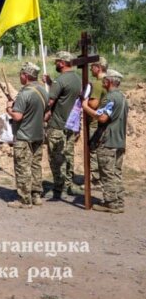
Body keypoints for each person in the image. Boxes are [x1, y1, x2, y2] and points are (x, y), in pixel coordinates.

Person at [83, 69, 127, 213]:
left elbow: (102, 117)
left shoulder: (110, 98)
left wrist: (85, 107)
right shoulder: (122, 97)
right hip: (119, 140)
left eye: (104, 81)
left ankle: (110, 203)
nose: (102, 82)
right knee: (116, 172)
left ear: (108, 82)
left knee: (107, 173)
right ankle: (118, 200)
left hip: (108, 141)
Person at [4, 62, 47, 209]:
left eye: (21, 74)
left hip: (24, 135)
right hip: (38, 134)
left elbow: (17, 117)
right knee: (35, 166)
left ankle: (24, 199)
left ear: (26, 75)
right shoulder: (43, 91)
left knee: (22, 167)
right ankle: (36, 195)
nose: (20, 76)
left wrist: (9, 108)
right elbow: (47, 113)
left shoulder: (25, 93)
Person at [44, 51, 82, 199]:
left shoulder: (60, 81)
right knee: (68, 155)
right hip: (71, 124)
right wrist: (50, 83)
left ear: (62, 63)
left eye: (57, 62)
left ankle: (59, 188)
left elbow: (51, 102)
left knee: (56, 158)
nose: (55, 64)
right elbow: (66, 96)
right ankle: (68, 184)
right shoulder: (77, 79)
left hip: (57, 124)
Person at [85, 57, 108, 185]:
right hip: (104, 122)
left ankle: (95, 179)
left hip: (95, 121)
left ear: (98, 67)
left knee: (93, 150)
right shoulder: (109, 81)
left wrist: (83, 99)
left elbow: (93, 104)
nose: (90, 68)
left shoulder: (98, 84)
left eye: (92, 66)